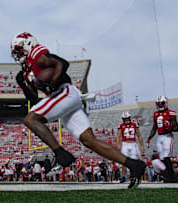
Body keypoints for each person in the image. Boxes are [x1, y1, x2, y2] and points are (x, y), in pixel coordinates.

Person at [10, 32, 146, 188]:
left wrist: (53, 82)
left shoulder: (38, 56)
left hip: (64, 92)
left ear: (28, 44)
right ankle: (134, 165)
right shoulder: (28, 72)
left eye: (19, 50)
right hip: (65, 100)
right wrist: (22, 84)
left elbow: (62, 64)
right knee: (89, 140)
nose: (18, 54)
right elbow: (34, 100)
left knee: (30, 119)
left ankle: (61, 154)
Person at [146, 96, 178, 183]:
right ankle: (168, 176)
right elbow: (154, 127)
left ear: (166, 103)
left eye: (162, 103)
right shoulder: (156, 114)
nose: (160, 105)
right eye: (158, 103)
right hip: (159, 137)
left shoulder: (171, 113)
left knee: (167, 156)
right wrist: (149, 138)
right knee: (162, 158)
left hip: (168, 136)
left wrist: (170, 126)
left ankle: (173, 176)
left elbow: (177, 128)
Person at [116, 111, 145, 183]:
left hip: (133, 144)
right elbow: (118, 136)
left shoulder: (134, 124)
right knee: (123, 161)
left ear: (129, 117)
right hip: (125, 144)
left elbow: (139, 135)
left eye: (127, 118)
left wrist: (142, 146)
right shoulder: (121, 125)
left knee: (134, 160)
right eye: (124, 118)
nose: (126, 120)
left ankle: (133, 176)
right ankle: (123, 177)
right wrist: (118, 144)